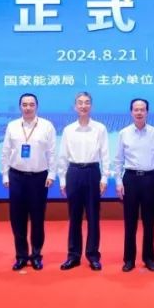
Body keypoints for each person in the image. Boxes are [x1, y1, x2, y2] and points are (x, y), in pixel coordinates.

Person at [1, 92, 56, 271]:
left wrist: (52, 174)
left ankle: (36, 255)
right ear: (20, 107)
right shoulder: (12, 126)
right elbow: (5, 152)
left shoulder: (46, 126)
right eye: (24, 105)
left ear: (37, 106)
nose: (28, 108)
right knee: (17, 219)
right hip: (16, 177)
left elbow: (52, 152)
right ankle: (21, 256)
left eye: (31, 104)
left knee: (38, 218)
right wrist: (5, 175)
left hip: (39, 178)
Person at [57, 91, 110, 271]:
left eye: (87, 102)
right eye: (80, 102)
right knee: (74, 217)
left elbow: (105, 154)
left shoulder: (100, 128)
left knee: (93, 216)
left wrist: (105, 177)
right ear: (75, 106)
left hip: (92, 172)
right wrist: (62, 180)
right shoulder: (68, 129)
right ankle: (73, 256)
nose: (83, 105)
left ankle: (93, 255)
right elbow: (63, 156)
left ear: (91, 106)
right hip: (73, 173)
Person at [115, 98, 154, 272]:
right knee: (130, 222)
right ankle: (129, 259)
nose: (139, 112)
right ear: (131, 112)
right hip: (130, 179)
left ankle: (149, 258)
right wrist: (119, 182)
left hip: (150, 179)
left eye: (142, 109)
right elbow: (118, 160)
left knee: (149, 222)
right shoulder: (124, 133)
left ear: (147, 112)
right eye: (136, 109)